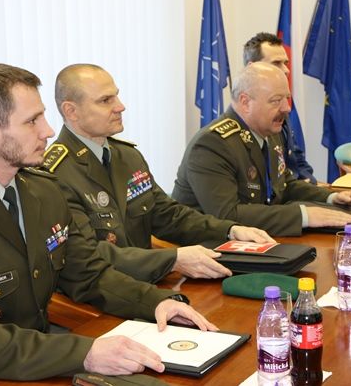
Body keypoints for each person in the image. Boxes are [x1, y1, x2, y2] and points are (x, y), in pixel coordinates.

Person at [0, 63, 217, 382]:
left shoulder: (43, 190)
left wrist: (158, 302)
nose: (48, 131)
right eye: (31, 121)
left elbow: (88, 275)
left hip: (35, 361)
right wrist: (86, 353)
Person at [43, 64, 274, 282]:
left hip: (148, 282)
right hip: (100, 293)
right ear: (71, 111)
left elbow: (167, 215)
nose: (120, 106)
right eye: (105, 100)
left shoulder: (127, 156)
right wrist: (173, 259)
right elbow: (90, 254)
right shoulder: (54, 175)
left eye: (116, 96)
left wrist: (229, 231)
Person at [172, 62, 351, 236]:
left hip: (257, 238)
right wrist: (303, 216)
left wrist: (330, 197)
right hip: (208, 248)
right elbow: (227, 215)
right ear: (245, 102)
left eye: (286, 98)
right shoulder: (212, 145)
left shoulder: (269, 129)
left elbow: (283, 184)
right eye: (276, 100)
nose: (286, 108)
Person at [243, 32, 317, 184]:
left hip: (293, 189)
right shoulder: (247, 118)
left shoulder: (280, 109)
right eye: (276, 63)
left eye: (285, 63)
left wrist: (310, 184)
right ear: (252, 68)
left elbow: (296, 159)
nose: (286, 70)